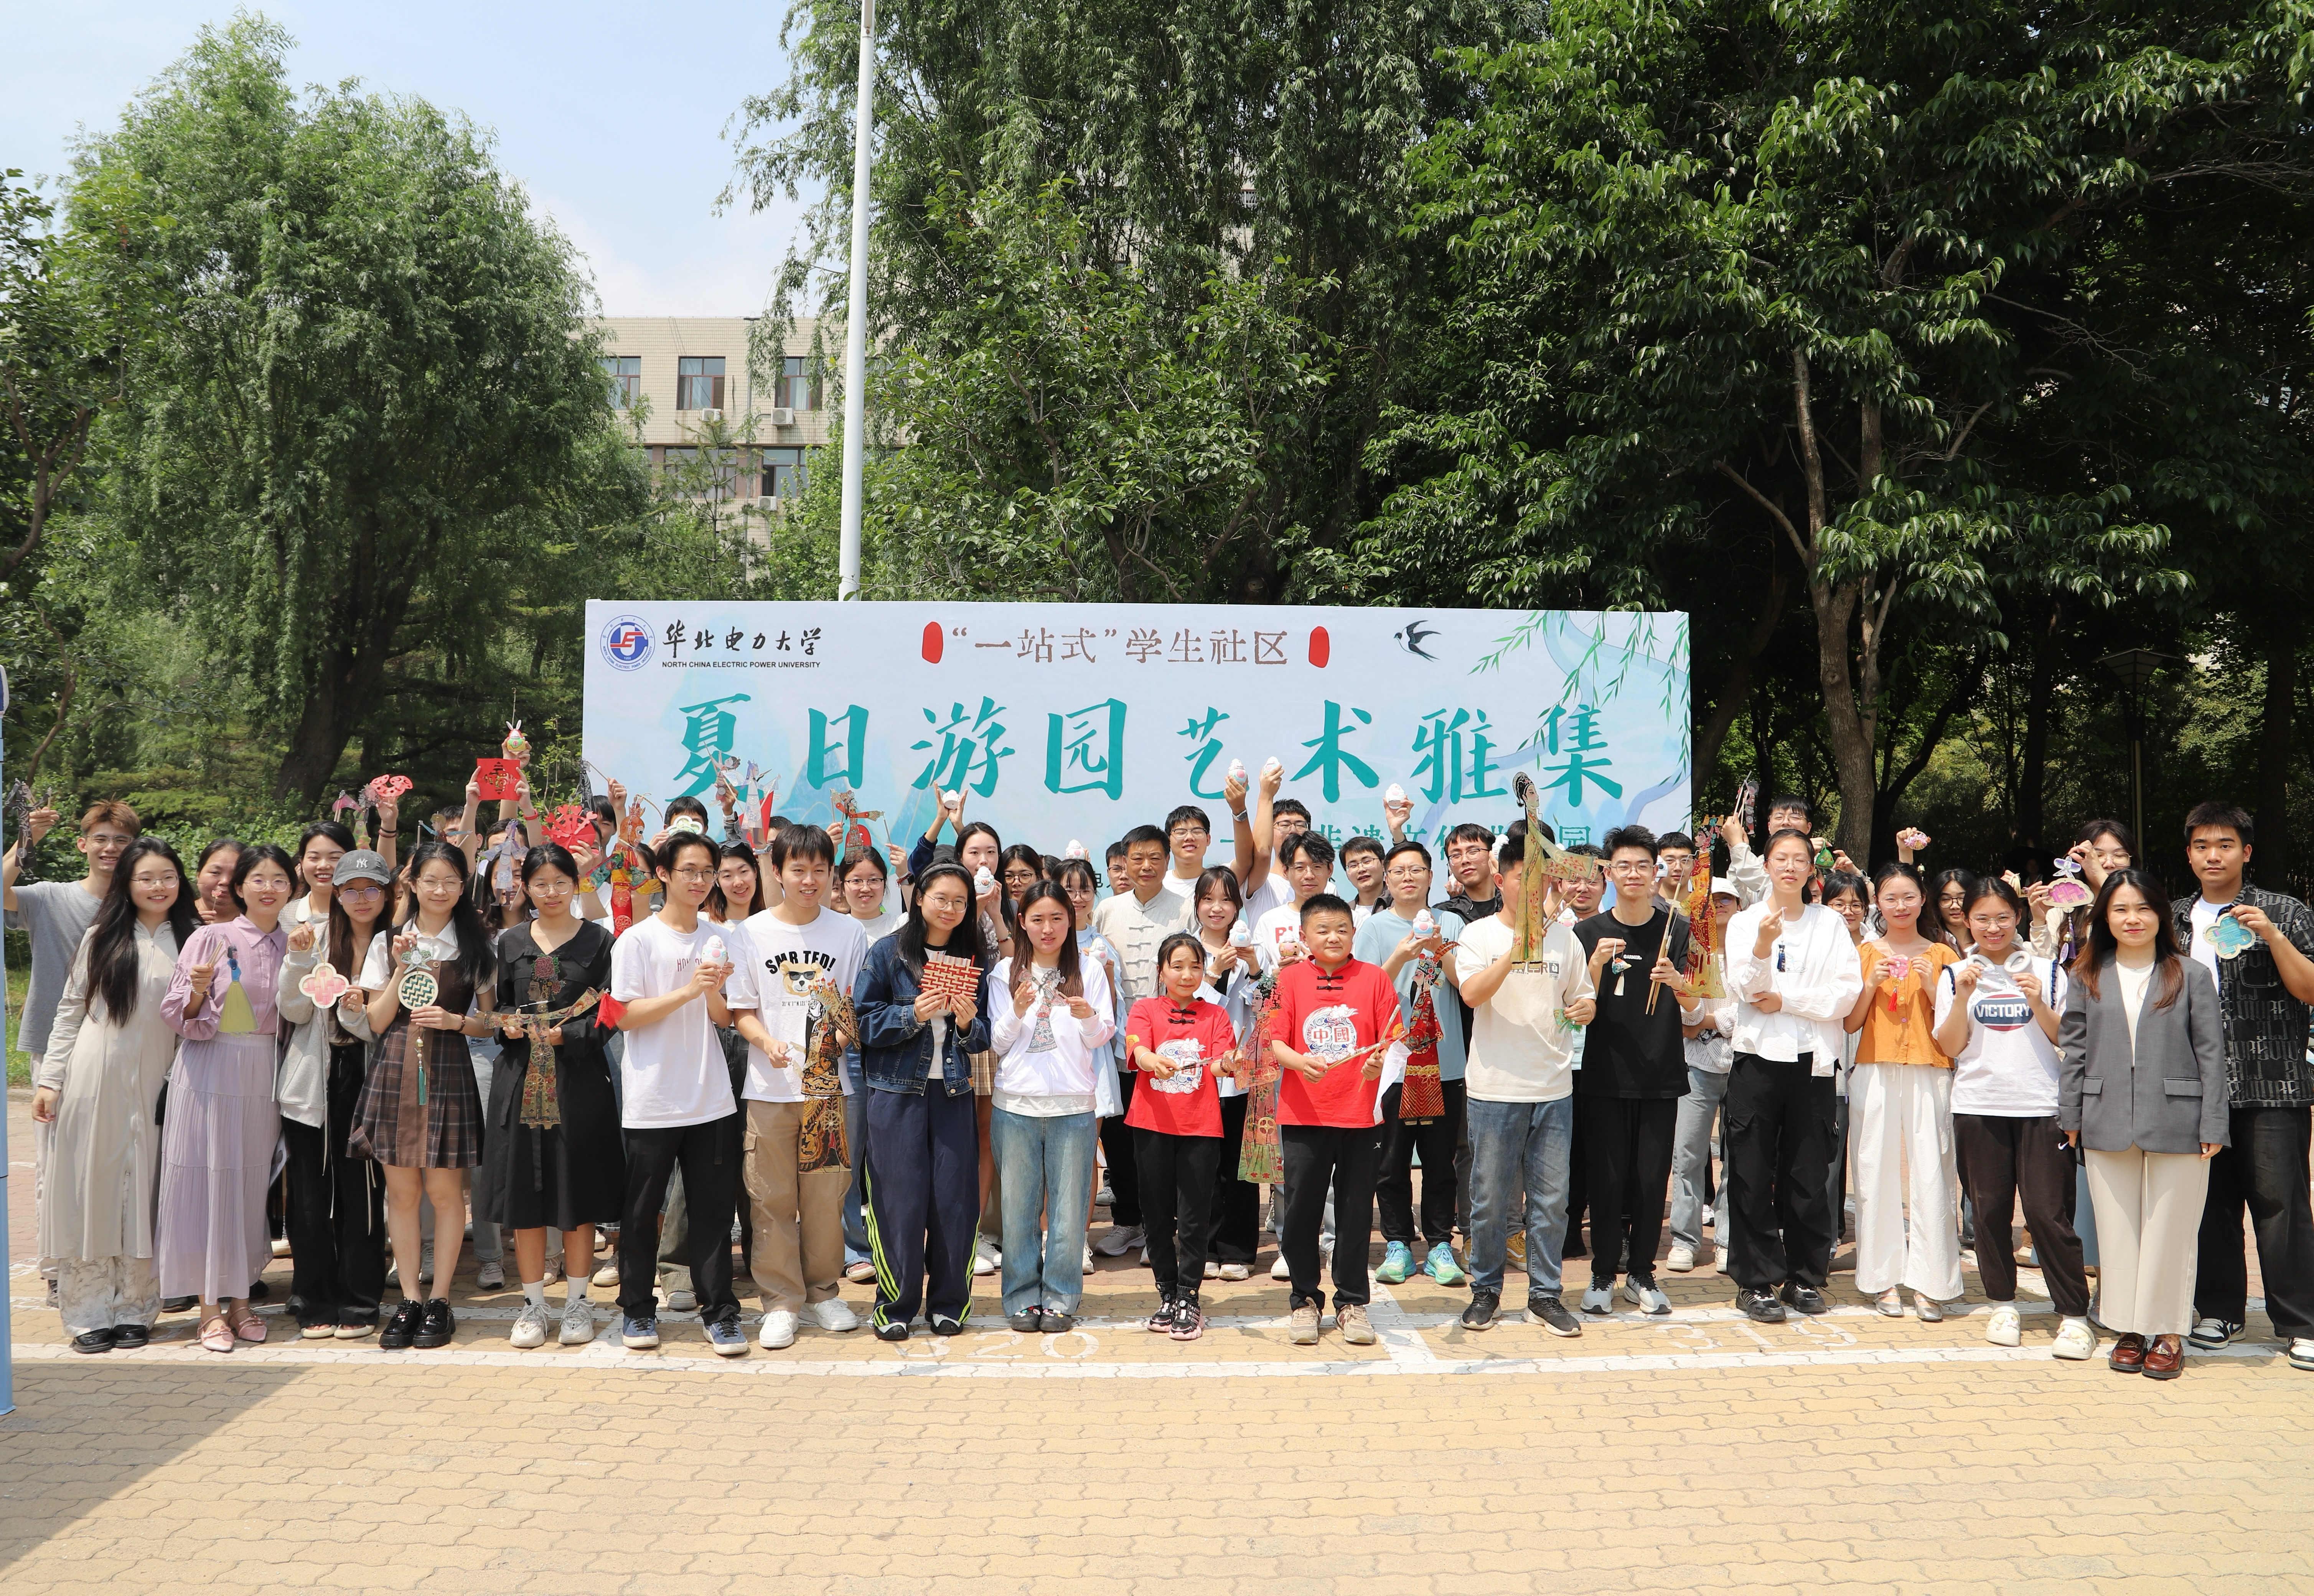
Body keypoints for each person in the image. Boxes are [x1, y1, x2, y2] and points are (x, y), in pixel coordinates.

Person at [31, 838, 198, 1352]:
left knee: (147, 1193)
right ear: (127, 883)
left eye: (168, 876)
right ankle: (87, 1313)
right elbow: (71, 1008)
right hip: (94, 1078)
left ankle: (136, 1309)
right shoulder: (102, 935)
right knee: (92, 1191)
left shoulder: (195, 940)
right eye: (146, 877)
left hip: (161, 1082)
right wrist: (51, 1079)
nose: (158, 886)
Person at [2061, 868, 2227, 1378]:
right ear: (2104, 918)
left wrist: (2213, 1122)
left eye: (2142, 908)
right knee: (2117, 1231)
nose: (2132, 919)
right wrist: (2070, 1115)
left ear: (2160, 914)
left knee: (2171, 1230)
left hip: (2180, 1117)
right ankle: (2129, 1328)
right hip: (2104, 1115)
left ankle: (2169, 1332)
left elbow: (2211, 1054)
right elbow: (2074, 1051)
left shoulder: (2190, 973)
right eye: (2120, 909)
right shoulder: (2086, 975)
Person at [2172, 803, 2314, 1370]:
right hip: (2196, 1089)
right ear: (2189, 854)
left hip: (2273, 1085)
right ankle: (2219, 1311)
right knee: (2210, 1207)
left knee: (2282, 1208)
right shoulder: (2173, 918)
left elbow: (2309, 989)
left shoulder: (2284, 910)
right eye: (2202, 845)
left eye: (2225, 844)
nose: (2213, 855)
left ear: (2246, 852)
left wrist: (2272, 935)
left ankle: (2301, 1322)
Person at [1933, 877, 2093, 1358]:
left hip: (2040, 1106)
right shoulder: (1954, 974)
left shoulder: (2047, 971)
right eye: (1981, 918)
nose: (1993, 927)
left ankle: (2073, 1314)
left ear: (2018, 917)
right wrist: (1961, 997)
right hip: (1978, 1106)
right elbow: (1949, 1046)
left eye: (2002, 917)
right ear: (1966, 920)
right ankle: (2002, 1303)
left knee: (2048, 1212)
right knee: (1988, 1212)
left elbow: (2065, 1038)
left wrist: (2037, 1002)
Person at [605, 831, 750, 1357]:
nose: (700, 881)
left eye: (708, 871)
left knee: (712, 1212)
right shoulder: (637, 941)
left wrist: (708, 990)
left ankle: (721, 1312)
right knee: (642, 1211)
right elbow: (625, 1017)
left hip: (710, 1096)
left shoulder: (720, 936)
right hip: (653, 1099)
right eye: (689, 870)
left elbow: (724, 1018)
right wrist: (689, 988)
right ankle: (638, 1309)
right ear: (663, 874)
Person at [353, 841, 499, 1351]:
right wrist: (399, 966)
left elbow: (491, 1023)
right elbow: (375, 1021)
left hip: (449, 1066)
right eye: (431, 880)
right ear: (412, 884)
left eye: (451, 882)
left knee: (445, 1192)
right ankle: (409, 1298)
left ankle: (440, 1299)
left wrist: (456, 1021)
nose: (440, 890)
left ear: (463, 887)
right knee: (401, 1193)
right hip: (396, 1065)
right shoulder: (388, 941)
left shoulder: (478, 946)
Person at [729, 823, 870, 1349]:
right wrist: (766, 1041)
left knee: (825, 1200)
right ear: (778, 872)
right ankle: (781, 1301)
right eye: (798, 870)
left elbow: (854, 1006)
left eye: (819, 870)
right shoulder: (752, 933)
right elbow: (742, 1010)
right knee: (771, 1200)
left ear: (832, 874)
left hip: (828, 1091)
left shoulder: (849, 933)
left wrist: (834, 1042)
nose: (809, 880)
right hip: (769, 1091)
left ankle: (823, 1292)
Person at [1454, 823, 1597, 1334]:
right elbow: (1472, 994)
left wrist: (1585, 1008)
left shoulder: (1565, 937)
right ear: (1501, 880)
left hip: (1554, 1089)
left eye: (1542, 879)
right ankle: (1486, 1290)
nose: (1533, 889)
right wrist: (1514, 950)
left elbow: (1582, 995)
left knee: (1550, 1202)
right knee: (1491, 1200)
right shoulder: (1477, 935)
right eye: (1522, 878)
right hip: (1494, 1090)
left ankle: (1545, 1294)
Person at [484, 844, 625, 1351]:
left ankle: (579, 1302)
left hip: (578, 1083)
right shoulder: (510, 942)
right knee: (525, 1197)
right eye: (540, 884)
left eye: (560, 882)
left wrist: (574, 1035)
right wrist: (507, 1025)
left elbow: (611, 1012)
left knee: (576, 1193)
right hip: (521, 1081)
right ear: (525, 888)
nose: (551, 893)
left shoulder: (599, 941)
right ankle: (533, 1305)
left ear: (576, 884)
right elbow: (500, 1006)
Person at [158, 842, 294, 1353]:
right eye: (258, 879)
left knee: (248, 1185)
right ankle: (208, 1310)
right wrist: (197, 990)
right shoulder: (211, 937)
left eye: (279, 879)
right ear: (239, 888)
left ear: (292, 889)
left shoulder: (296, 944)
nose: (268, 888)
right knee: (205, 1182)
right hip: (209, 1066)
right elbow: (179, 1014)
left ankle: (241, 1300)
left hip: (264, 1072)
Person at [1722, 829, 1862, 1324]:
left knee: (1808, 1173)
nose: (1789, 866)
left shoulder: (1829, 923)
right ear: (1766, 864)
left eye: (1798, 859)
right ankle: (1755, 1280)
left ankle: (1804, 1275)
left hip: (1813, 1063)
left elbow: (1844, 994)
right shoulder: (1744, 922)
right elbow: (1745, 989)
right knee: (1750, 1171)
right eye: (1779, 858)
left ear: (1810, 868)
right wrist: (1763, 946)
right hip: (1757, 1058)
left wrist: (1786, 1000)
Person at [854, 862, 990, 1340]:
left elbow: (982, 1038)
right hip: (895, 1094)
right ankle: (894, 1305)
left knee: (954, 1201)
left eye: (960, 901)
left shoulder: (971, 958)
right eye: (941, 898)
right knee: (898, 1201)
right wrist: (911, 1012)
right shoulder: (888, 952)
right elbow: (863, 1023)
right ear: (919, 898)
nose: (950, 908)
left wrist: (968, 1023)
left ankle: (949, 1303)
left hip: (952, 1092)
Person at [1571, 826, 1698, 1317]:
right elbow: (1575, 1008)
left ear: (1656, 872)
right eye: (1622, 865)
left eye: (1643, 865)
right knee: (1605, 1180)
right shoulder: (1587, 933)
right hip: (1602, 1075)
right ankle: (1603, 1272)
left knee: (1649, 1180)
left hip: (1660, 1074)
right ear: (1608, 872)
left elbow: (1696, 1007)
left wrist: (1679, 981)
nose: (1633, 874)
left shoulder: (1677, 930)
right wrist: (1596, 965)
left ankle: (1642, 1272)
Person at [1269, 894, 1406, 1345]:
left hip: (1361, 1115)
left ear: (1353, 932)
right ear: (1303, 935)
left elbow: (1391, 1041)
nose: (1333, 937)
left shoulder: (1374, 978)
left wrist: (1377, 1064)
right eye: (1323, 930)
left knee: (1354, 1210)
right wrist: (1299, 1062)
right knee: (1301, 1209)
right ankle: (1304, 1299)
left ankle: (1351, 1302)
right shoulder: (1288, 979)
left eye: (1342, 929)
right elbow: (1275, 1041)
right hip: (1304, 1114)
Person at [989, 881, 1116, 1333]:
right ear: (1021, 922)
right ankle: (1022, 1296)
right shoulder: (1004, 972)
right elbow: (996, 1042)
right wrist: (1017, 1010)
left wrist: (1088, 1017)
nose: (1048, 928)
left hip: (1073, 1107)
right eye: (1038, 919)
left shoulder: (1089, 969)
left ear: (1071, 920)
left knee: (1068, 1210)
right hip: (1015, 1105)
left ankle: (1061, 1296)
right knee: (1018, 1209)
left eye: (1057, 918)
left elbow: (1101, 1037)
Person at [275, 847, 391, 1339]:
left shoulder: (398, 944)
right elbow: (294, 1010)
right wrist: (298, 959)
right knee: (310, 1196)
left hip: (371, 1078)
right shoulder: (314, 938)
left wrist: (356, 1009)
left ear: (387, 893)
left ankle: (360, 1298)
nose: (361, 898)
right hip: (312, 1081)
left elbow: (383, 1025)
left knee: (363, 1193)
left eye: (371, 888)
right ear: (336, 894)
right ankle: (314, 1296)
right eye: (350, 889)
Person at [1843, 863, 1963, 1320]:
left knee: (1932, 1170)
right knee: (1873, 1169)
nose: (1899, 905)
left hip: (1930, 1067)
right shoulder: (1863, 953)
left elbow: (1955, 1023)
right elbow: (1850, 1023)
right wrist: (1870, 985)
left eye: (1908, 896)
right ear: (1877, 902)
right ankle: (1881, 1277)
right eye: (1890, 897)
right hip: (1874, 1067)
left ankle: (1932, 1282)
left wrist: (1932, 985)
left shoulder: (1941, 953)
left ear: (1922, 899)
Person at [1355, 840, 1468, 1288]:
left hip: (1444, 1062)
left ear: (1430, 876)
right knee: (1391, 1160)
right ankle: (1398, 1243)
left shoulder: (1452, 922)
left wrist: (1441, 949)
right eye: (1399, 870)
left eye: (1416, 869)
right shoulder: (1373, 927)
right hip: (1393, 1064)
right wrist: (1401, 955)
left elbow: (1466, 986)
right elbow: (1363, 990)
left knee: (1441, 1160)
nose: (1407, 877)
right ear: (1386, 878)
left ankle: (1439, 1244)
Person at [1123, 932, 1235, 1339]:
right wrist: (1151, 1058)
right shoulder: (1144, 1008)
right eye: (1178, 966)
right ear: (1161, 971)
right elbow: (1137, 1049)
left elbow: (1220, 1063)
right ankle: (1166, 1293)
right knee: (1155, 1214)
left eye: (1195, 967)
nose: (1187, 975)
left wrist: (1229, 1062)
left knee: (1194, 1216)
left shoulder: (1217, 1015)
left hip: (1200, 1126)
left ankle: (1189, 1296)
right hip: (1151, 1125)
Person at [1091, 824, 1190, 1259]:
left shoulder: (1185, 908)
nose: (1146, 866)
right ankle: (1127, 1222)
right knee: (1118, 1137)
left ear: (1167, 861)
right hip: (1115, 1042)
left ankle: (1160, 1228)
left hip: (1168, 1043)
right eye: (1137, 858)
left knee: (1163, 1140)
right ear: (1124, 863)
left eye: (1155, 858)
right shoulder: (1107, 909)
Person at [6, 800, 140, 1062]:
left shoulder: (147, 906)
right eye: (100, 839)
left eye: (121, 840)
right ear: (83, 845)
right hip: (53, 1044)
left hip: (124, 1043)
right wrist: (27, 840)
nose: (110, 848)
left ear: (135, 848)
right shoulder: (49, 897)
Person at [1185, 865, 1261, 1281]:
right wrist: (1212, 972)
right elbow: (1182, 1007)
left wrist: (1256, 969)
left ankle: (1237, 1251)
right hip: (1198, 1071)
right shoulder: (1185, 948)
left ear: (1237, 907)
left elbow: (1268, 1006)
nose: (1217, 908)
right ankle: (1204, 1248)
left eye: (1226, 900)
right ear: (1196, 904)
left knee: (1238, 1165)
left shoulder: (1251, 948)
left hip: (1240, 1073)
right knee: (1200, 1167)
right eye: (1208, 899)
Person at [1667, 880, 1740, 1273]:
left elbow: (1753, 1009)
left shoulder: (1751, 952)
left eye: (1726, 899)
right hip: (1694, 1065)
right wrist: (1702, 1020)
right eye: (1711, 901)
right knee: (1688, 1154)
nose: (1719, 906)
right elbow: (1685, 1015)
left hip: (1743, 1065)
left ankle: (1727, 1240)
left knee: (1737, 1156)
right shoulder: (1690, 954)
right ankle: (1685, 1239)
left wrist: (1710, 1022)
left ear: (1740, 904)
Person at [1724, 795, 1812, 908]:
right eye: (1779, 817)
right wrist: (1736, 851)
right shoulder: (1760, 862)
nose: (1786, 822)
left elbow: (1761, 880)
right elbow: (1741, 902)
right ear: (1769, 826)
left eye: (1795, 817)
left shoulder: (1820, 862)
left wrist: (1738, 845)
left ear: (1808, 827)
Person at [191, 838, 243, 925]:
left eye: (235, 875)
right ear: (199, 875)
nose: (225, 881)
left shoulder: (260, 922)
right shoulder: (175, 916)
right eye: (215, 873)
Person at [1340, 835, 1388, 923]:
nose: (1361, 870)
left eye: (1367, 862)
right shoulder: (1343, 914)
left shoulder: (1400, 905)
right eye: (1353, 866)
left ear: (1383, 865)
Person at [1930, 868, 1976, 952]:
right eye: (1946, 899)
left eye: (1962, 898)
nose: (1955, 906)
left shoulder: (1988, 939)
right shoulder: (1929, 943)